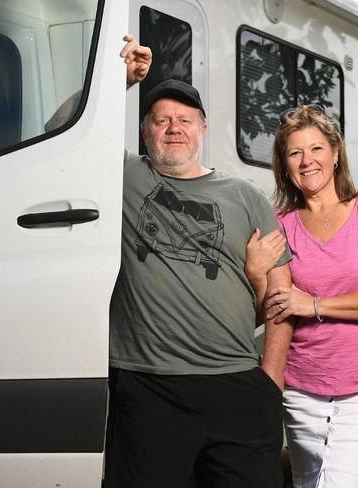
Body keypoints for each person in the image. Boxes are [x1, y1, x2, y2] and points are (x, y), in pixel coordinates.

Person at [103, 36, 295, 488]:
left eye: (185, 120)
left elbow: (283, 296)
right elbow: (64, 134)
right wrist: (121, 83)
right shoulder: (126, 175)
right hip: (148, 387)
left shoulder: (245, 196)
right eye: (161, 120)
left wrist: (271, 381)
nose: (174, 128)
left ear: (202, 130)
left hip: (238, 386)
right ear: (144, 131)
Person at [251, 104, 358, 488]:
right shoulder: (280, 224)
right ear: (284, 164)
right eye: (295, 153)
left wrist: (315, 305)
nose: (308, 161)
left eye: (317, 149)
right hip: (303, 392)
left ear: (336, 153)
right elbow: (272, 308)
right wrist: (257, 272)